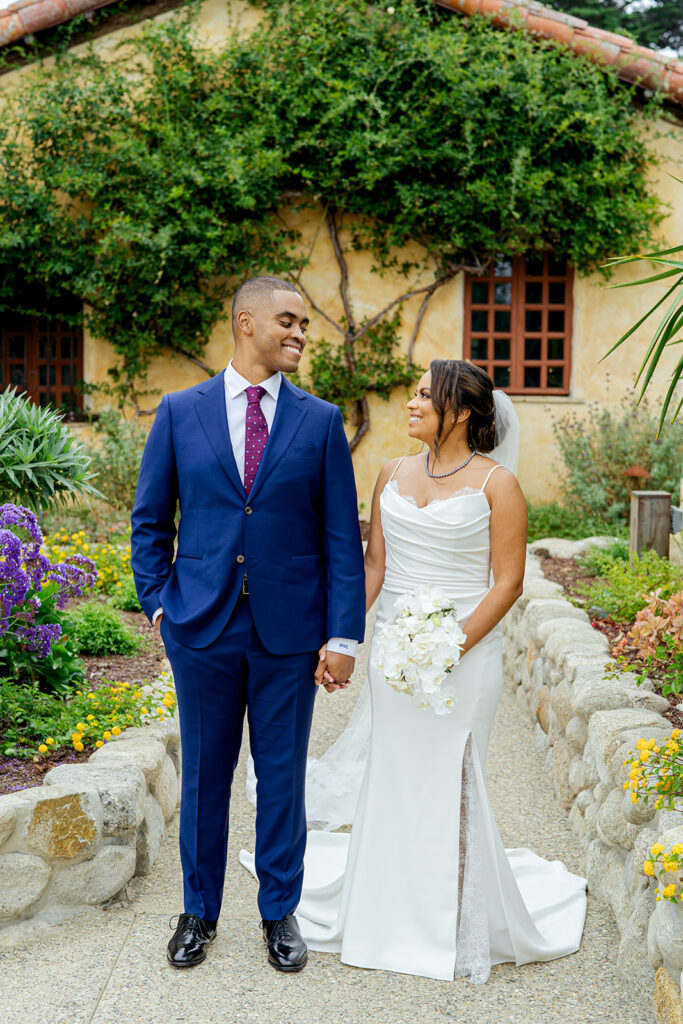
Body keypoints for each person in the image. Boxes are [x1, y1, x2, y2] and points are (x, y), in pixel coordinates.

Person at [242, 358, 586, 982]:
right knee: (393, 768)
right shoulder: (390, 473)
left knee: (453, 773)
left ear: (459, 412)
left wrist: (451, 646)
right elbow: (373, 567)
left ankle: (450, 911)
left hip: (465, 654)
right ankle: (385, 906)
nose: (412, 402)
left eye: (426, 395)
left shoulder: (496, 485)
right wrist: (339, 635)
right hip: (393, 651)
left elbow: (507, 583)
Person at [131, 276, 365, 974]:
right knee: (203, 776)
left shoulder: (320, 421)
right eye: (287, 321)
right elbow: (150, 521)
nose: (299, 333)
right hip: (199, 627)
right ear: (246, 323)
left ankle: (278, 912)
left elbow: (339, 541)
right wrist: (159, 604)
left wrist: (343, 634)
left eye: (303, 325)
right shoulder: (179, 412)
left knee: (282, 775)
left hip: (289, 630)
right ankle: (197, 911)